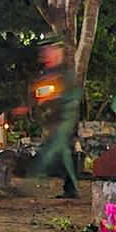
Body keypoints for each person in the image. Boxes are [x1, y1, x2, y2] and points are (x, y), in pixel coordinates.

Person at [32, 39, 82, 198]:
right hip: (52, 119)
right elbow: (38, 94)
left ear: (58, 52)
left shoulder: (66, 73)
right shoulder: (46, 74)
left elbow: (75, 95)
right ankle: (70, 188)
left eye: (50, 51)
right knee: (62, 153)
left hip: (64, 117)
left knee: (54, 149)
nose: (46, 55)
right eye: (44, 51)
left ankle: (32, 178)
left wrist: (57, 99)